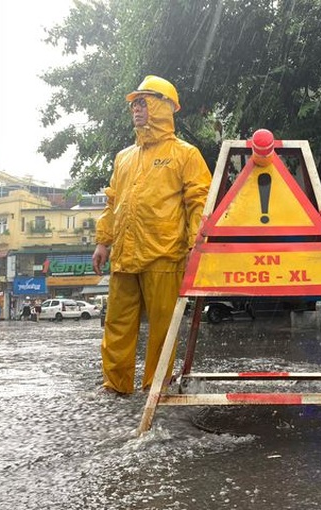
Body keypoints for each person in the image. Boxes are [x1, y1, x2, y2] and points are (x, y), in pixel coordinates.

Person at [92, 75, 212, 395]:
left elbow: (199, 202)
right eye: (135, 103)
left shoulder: (185, 154)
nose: (136, 108)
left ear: (162, 106)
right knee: (116, 324)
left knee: (163, 328)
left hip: (165, 253)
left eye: (143, 102)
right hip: (125, 255)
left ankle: (155, 388)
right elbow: (113, 202)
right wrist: (104, 242)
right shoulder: (124, 157)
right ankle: (115, 386)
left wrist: (194, 247)